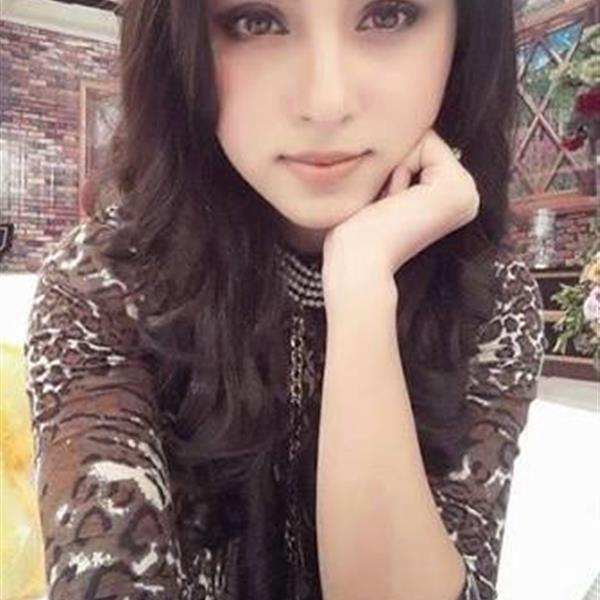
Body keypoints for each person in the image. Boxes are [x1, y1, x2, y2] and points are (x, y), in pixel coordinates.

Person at [24, 0, 546, 599]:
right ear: (178, 48)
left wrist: (362, 284)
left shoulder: (489, 298)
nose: (326, 103)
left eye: (388, 15)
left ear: (465, 36)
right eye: (255, 21)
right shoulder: (102, 285)